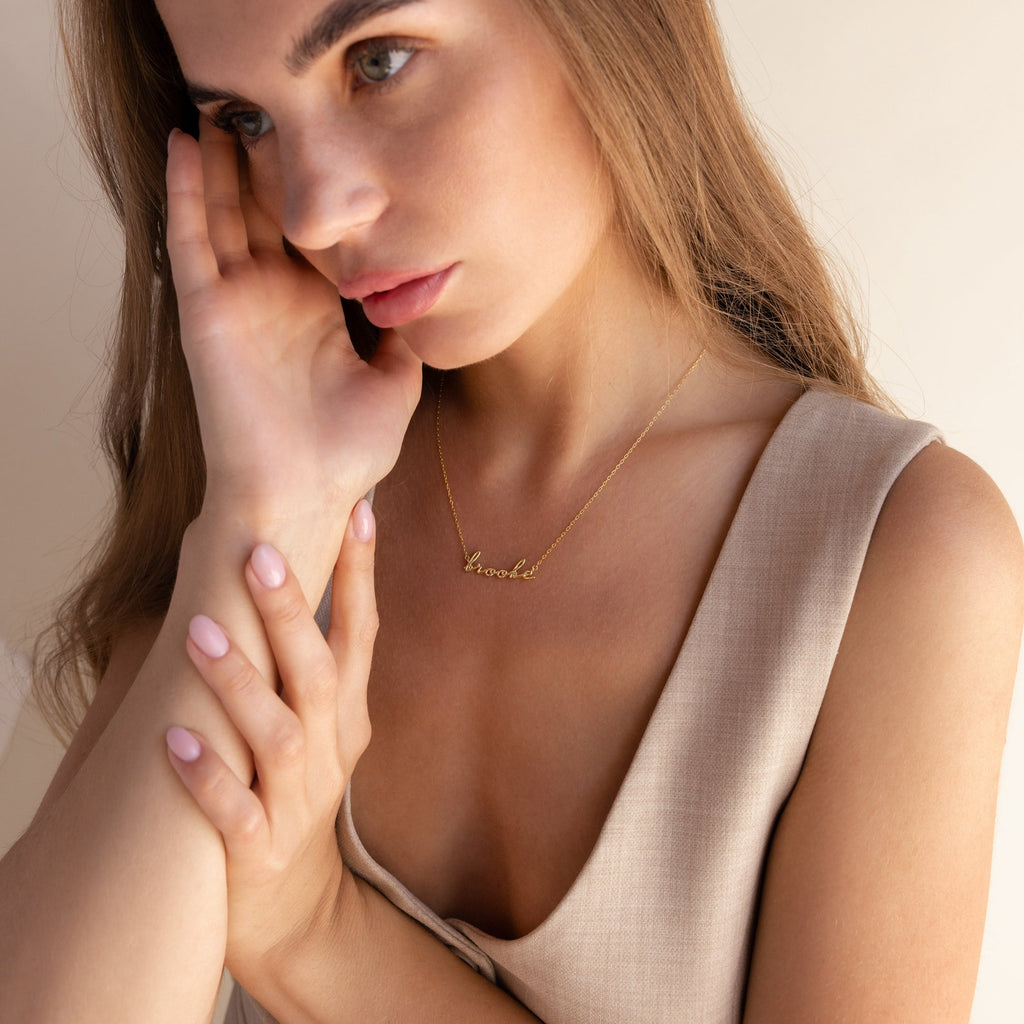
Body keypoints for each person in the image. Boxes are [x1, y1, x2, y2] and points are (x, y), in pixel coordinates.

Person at [2, 0, 1021, 1020]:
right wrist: (267, 502)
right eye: (247, 121)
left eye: (379, 60)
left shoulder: (890, 555)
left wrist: (311, 930)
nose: (314, 213)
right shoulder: (267, 478)